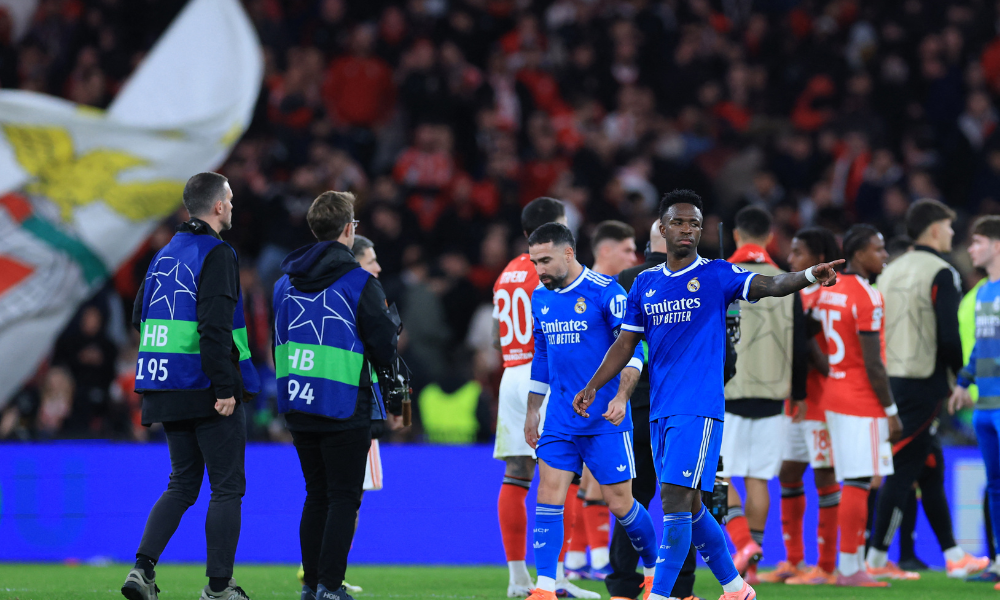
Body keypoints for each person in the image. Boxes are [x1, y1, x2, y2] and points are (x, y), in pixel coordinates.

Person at [575, 189, 842, 600]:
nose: (687, 229)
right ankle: (735, 588)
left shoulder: (717, 274)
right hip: (660, 411)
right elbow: (625, 345)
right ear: (662, 228)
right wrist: (593, 385)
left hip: (699, 408)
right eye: (679, 222)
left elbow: (771, 284)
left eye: (695, 224)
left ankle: (660, 595)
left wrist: (808, 276)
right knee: (693, 506)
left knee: (674, 501)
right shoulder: (644, 283)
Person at [122, 172, 261, 600]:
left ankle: (142, 570)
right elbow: (215, 326)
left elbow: (138, 317)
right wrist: (225, 387)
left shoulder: (164, 254)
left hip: (165, 382)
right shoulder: (217, 253)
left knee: (182, 484)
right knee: (227, 487)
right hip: (205, 385)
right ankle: (219, 588)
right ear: (217, 206)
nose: (232, 205)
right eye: (230, 199)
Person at [273, 191, 400, 600]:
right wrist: (397, 398)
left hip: (298, 400)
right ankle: (330, 586)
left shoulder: (282, 284)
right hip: (345, 403)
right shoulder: (360, 283)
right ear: (349, 229)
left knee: (316, 495)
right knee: (344, 497)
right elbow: (384, 347)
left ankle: (312, 586)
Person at [522, 223, 660, 600]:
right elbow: (542, 356)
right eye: (535, 262)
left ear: (569, 253)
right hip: (560, 419)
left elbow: (635, 349)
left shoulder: (606, 292)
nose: (539, 270)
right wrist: (533, 410)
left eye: (545, 260)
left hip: (605, 420)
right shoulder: (540, 298)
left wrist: (621, 398)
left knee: (621, 504)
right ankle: (545, 587)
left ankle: (653, 572)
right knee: (548, 495)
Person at [868, 199, 989, 580]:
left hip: (890, 379)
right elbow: (949, 336)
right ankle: (875, 560)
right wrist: (958, 380)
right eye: (949, 227)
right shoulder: (942, 271)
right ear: (935, 229)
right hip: (923, 382)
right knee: (903, 470)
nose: (953, 234)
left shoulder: (889, 270)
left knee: (930, 466)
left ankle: (953, 555)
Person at [491, 197, 586, 598]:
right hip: (542, 377)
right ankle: (557, 578)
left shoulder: (506, 274)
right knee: (561, 476)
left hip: (511, 372)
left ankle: (517, 579)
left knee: (516, 474)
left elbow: (497, 334)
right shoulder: (547, 269)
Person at [606, 220, 702, 600]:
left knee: (633, 496)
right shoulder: (697, 280)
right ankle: (681, 589)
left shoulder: (626, 280)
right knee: (685, 499)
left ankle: (623, 586)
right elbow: (722, 356)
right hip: (682, 407)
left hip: (635, 406)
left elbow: (614, 345)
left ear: (647, 245)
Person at [721, 206, 809, 584]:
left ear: (736, 235)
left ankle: (742, 545)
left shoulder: (721, 275)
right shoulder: (787, 281)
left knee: (719, 477)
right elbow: (800, 343)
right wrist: (799, 393)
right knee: (758, 479)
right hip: (774, 396)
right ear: (770, 237)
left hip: (729, 392)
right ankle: (752, 567)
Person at [812, 224, 902, 587]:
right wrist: (891, 411)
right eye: (878, 249)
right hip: (862, 400)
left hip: (834, 394)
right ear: (859, 254)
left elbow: (808, 334)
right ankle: (851, 568)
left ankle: (848, 565)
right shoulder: (868, 296)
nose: (884, 255)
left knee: (853, 478)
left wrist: (831, 371)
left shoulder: (828, 290)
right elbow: (873, 363)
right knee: (859, 480)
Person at [762, 227, 841, 586]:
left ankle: (826, 566)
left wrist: (804, 336)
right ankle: (793, 561)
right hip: (796, 401)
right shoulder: (798, 294)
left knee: (825, 475)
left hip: (824, 401)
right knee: (789, 473)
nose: (791, 259)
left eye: (798, 253)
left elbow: (828, 358)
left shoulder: (830, 295)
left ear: (818, 258)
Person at [569, 219, 639, 581]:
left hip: (595, 397)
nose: (634, 256)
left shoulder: (609, 290)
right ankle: (595, 560)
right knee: (588, 480)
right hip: (584, 397)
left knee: (584, 482)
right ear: (606, 250)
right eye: (627, 249)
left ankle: (578, 558)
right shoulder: (591, 290)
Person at [949, 216, 1000, 591]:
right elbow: (982, 347)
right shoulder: (982, 294)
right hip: (985, 406)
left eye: (978, 242)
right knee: (995, 486)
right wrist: (964, 381)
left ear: (997, 246)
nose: (971, 249)